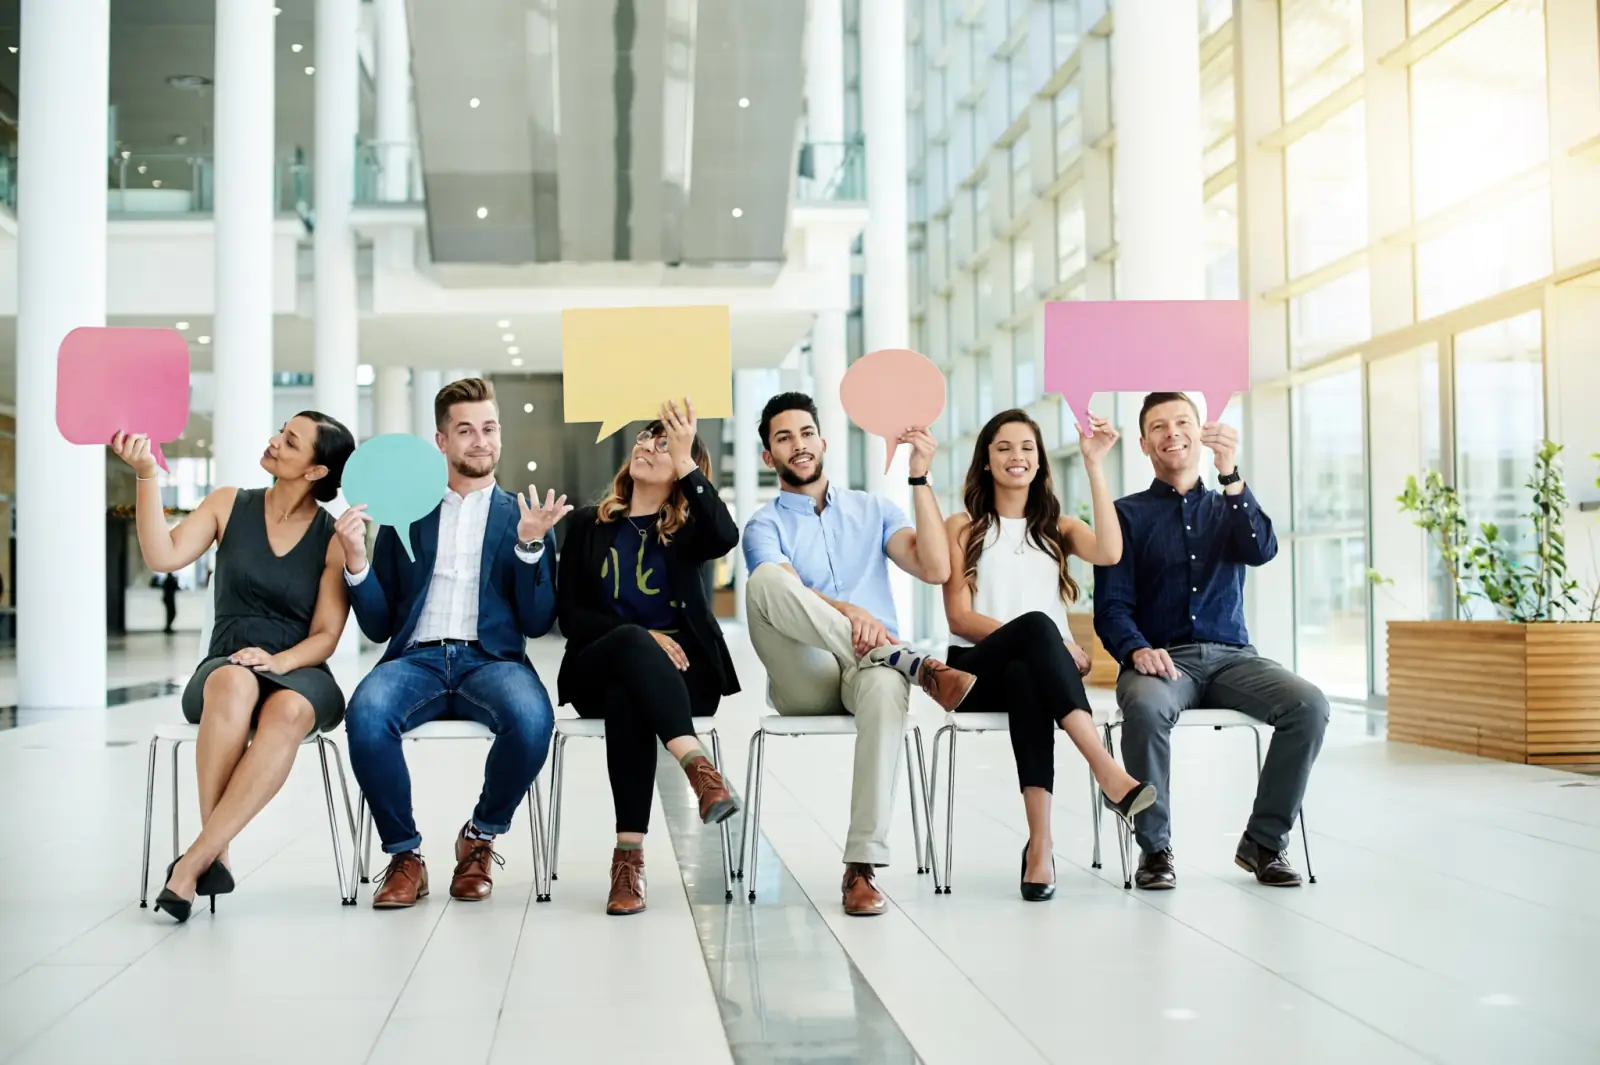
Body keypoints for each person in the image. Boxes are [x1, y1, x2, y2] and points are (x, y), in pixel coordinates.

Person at [334, 377, 570, 908]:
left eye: (489, 429)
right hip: (415, 659)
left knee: (533, 720)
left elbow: (536, 623)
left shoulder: (522, 517)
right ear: (441, 441)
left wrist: (532, 546)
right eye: (465, 431)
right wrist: (356, 561)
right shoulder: (407, 513)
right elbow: (377, 624)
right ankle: (405, 856)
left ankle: (480, 838)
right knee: (366, 714)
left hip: (491, 661)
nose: (480, 441)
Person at [111, 414, 356, 923]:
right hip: (228, 663)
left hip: (300, 668)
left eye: (290, 441)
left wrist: (279, 661)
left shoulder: (334, 537)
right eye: (280, 430)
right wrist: (146, 475)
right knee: (234, 680)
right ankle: (214, 854)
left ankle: (196, 859)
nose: (273, 441)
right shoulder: (229, 503)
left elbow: (327, 636)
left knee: (288, 709)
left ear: (315, 471)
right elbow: (163, 555)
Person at [742, 392, 975, 918]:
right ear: (768, 456)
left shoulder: (874, 510)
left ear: (822, 441)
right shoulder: (764, 525)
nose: (797, 445)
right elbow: (785, 592)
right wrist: (850, 613)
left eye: (805, 433)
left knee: (884, 682)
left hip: (871, 673)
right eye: (783, 438)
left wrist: (919, 477)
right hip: (808, 673)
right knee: (765, 580)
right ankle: (912, 663)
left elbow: (936, 569)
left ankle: (861, 868)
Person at [1094, 392, 1329, 890]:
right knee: (1146, 707)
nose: (1171, 432)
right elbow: (1111, 607)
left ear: (1201, 433)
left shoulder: (1229, 501)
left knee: (1308, 704)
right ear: (1143, 444)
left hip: (1233, 660)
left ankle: (1265, 842)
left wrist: (1231, 473)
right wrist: (1137, 649)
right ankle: (1155, 850)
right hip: (1160, 660)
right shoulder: (1124, 515)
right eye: (1158, 426)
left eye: (1182, 421)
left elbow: (1261, 549)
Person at [942, 409, 1155, 900]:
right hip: (973, 672)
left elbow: (1110, 552)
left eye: (1027, 449)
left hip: (1034, 677)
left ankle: (1040, 845)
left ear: (1039, 463)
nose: (1016, 457)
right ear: (986, 461)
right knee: (1038, 630)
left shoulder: (1058, 527)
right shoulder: (962, 526)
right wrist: (1047, 640)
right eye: (1004, 448)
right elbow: (960, 618)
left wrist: (1095, 464)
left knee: (1028, 676)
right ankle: (1107, 771)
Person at [556, 400, 741, 916]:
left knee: (628, 695)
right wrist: (640, 635)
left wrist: (686, 461)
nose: (646, 447)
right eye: (644, 439)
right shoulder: (588, 525)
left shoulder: (687, 530)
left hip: (684, 677)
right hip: (595, 663)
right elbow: (570, 615)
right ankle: (698, 767)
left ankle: (628, 861)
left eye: (664, 443)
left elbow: (727, 535)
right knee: (631, 649)